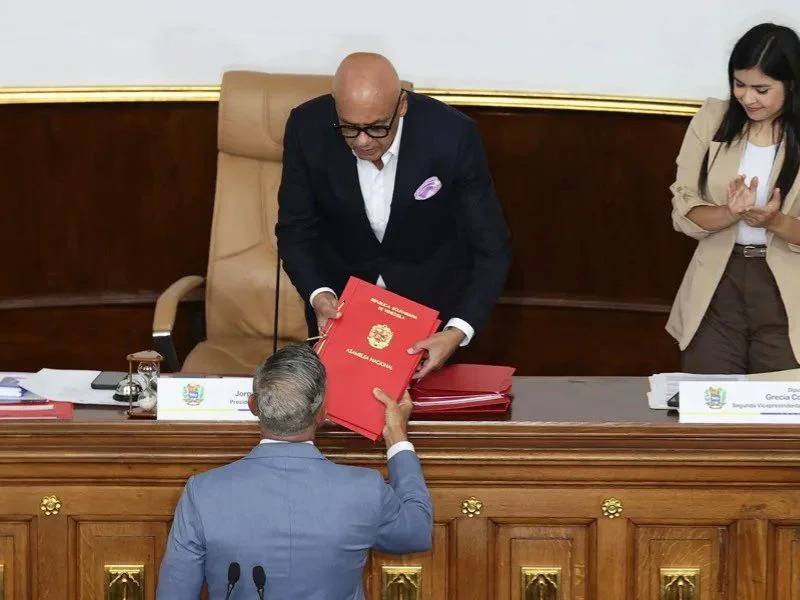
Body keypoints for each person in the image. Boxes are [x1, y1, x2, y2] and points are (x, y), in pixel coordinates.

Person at [276, 52, 511, 379]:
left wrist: (458, 330)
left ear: (401, 106)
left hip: (433, 314)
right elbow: (294, 230)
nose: (361, 142)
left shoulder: (452, 136)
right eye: (348, 128)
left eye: (376, 128)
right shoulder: (307, 128)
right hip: (342, 312)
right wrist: (318, 293)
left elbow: (492, 248)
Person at [156, 344, 432, 599]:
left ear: (253, 405)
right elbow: (416, 530)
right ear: (322, 412)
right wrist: (396, 435)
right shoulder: (365, 488)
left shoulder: (203, 492)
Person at [668, 23, 800, 374]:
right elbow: (683, 209)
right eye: (739, 84)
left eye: (762, 89)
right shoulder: (712, 119)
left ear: (791, 84)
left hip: (789, 289)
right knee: (709, 409)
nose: (747, 98)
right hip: (718, 282)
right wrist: (730, 212)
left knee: (779, 417)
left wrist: (775, 222)